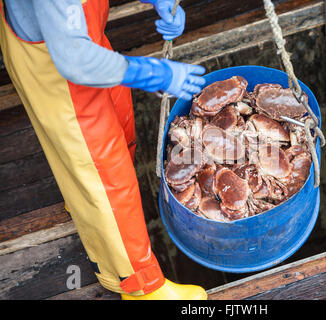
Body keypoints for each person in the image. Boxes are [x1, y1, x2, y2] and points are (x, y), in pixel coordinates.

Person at [0, 0, 207, 300]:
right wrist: (155, 74)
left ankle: (88, 205)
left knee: (118, 126)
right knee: (103, 173)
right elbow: (75, 61)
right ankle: (142, 288)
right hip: (59, 67)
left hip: (80, 39)